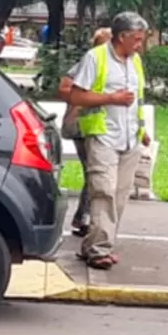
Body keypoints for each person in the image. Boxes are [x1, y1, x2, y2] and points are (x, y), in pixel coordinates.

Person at [60, 11, 151, 270]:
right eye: (136, 39)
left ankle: (94, 245)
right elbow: (76, 97)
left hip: (130, 139)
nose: (139, 45)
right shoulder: (95, 58)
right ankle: (100, 250)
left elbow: (138, 100)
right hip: (103, 136)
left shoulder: (135, 62)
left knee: (119, 196)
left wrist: (141, 129)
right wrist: (111, 99)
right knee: (103, 191)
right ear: (121, 37)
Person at [58, 26, 112, 236]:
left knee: (96, 172)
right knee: (96, 171)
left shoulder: (112, 65)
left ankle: (84, 218)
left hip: (98, 126)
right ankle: (84, 219)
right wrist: (91, 96)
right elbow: (64, 89)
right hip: (82, 127)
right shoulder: (86, 64)